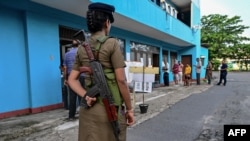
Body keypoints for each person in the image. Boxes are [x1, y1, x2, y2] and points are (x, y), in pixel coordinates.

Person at [68, 2, 134, 141]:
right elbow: (121, 81)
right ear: (107, 22)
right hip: (109, 110)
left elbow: (71, 80)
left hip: (88, 110)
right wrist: (129, 109)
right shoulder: (112, 43)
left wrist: (85, 95)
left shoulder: (81, 48)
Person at [63, 40, 84, 121]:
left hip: (71, 77)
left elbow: (65, 68)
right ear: (79, 45)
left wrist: (66, 78)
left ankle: (71, 116)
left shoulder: (67, 54)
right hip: (81, 76)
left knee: (72, 97)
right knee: (82, 96)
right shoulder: (81, 53)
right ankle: (83, 115)